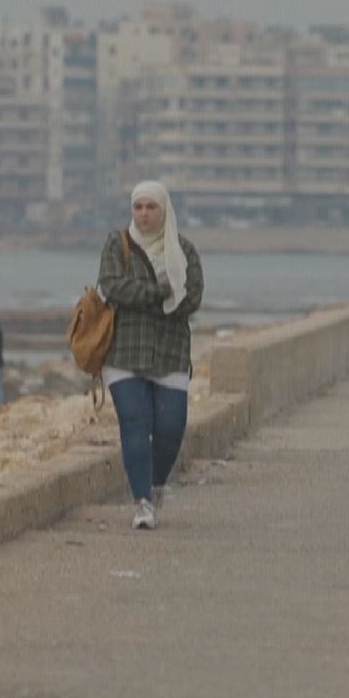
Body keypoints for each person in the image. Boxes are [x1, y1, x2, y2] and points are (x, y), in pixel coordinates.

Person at [98, 180, 204, 531]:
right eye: (138, 207)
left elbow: (191, 298)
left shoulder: (183, 250)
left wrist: (148, 297)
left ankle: (156, 485)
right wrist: (160, 292)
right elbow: (113, 286)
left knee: (171, 428)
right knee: (134, 421)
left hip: (170, 351)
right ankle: (141, 502)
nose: (144, 214)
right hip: (124, 352)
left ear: (164, 210)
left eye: (151, 207)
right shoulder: (118, 244)